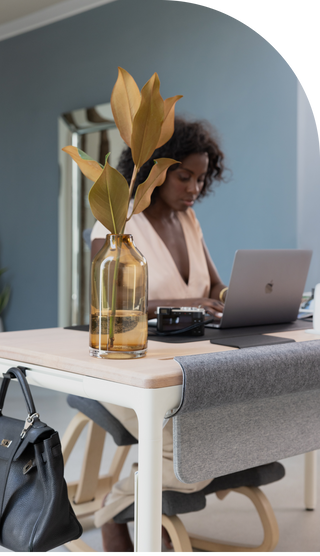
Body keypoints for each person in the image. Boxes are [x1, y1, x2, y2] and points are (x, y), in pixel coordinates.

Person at [90, 118, 229, 555]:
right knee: (194, 453)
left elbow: (213, 287)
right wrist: (189, 307)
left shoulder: (189, 219)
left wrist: (234, 296)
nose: (193, 188)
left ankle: (142, 513)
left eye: (200, 179)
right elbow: (108, 305)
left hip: (187, 366)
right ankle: (111, 515)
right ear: (155, 169)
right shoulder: (116, 221)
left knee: (229, 430)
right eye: (183, 175)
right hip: (127, 369)